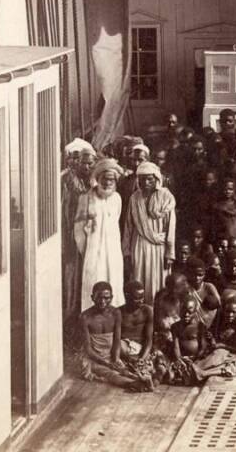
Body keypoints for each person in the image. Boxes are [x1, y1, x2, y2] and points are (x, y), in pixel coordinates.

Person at [79, 282, 153, 391]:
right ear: (92, 297)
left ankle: (140, 379)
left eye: (106, 298)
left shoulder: (116, 313)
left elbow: (117, 340)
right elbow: (88, 349)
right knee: (109, 373)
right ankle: (135, 383)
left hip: (111, 355)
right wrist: (107, 363)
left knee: (123, 369)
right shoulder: (85, 317)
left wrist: (116, 358)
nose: (102, 301)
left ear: (112, 297)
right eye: (99, 298)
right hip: (95, 358)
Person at [75, 158, 126, 311]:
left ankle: (113, 315)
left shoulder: (117, 198)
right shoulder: (86, 198)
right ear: (98, 178)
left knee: (114, 279)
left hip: (113, 249)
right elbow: (78, 227)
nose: (108, 183)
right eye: (105, 179)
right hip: (93, 250)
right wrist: (87, 249)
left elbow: (116, 221)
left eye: (112, 180)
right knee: (94, 279)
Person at [122, 161, 177, 301]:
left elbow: (171, 227)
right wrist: (126, 253)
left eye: (149, 179)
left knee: (159, 283)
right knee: (139, 280)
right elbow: (128, 227)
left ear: (156, 179)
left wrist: (170, 253)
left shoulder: (166, 197)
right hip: (139, 245)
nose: (146, 183)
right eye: (142, 179)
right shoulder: (134, 198)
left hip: (159, 247)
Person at [62, 143, 96, 320]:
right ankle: (71, 309)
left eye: (90, 163)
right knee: (72, 270)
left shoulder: (96, 182)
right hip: (71, 231)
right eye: (83, 163)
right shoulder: (68, 180)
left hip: (91, 233)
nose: (87, 167)